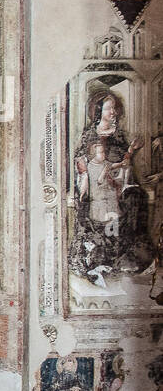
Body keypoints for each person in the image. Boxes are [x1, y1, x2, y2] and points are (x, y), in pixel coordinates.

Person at [71, 92, 150, 276]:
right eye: (108, 108)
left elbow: (125, 160)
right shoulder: (89, 134)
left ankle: (128, 255)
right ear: (98, 111)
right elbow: (81, 161)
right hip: (95, 183)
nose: (113, 112)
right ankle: (102, 257)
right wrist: (86, 177)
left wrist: (129, 155)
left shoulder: (119, 134)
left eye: (114, 108)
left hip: (118, 180)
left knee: (137, 197)